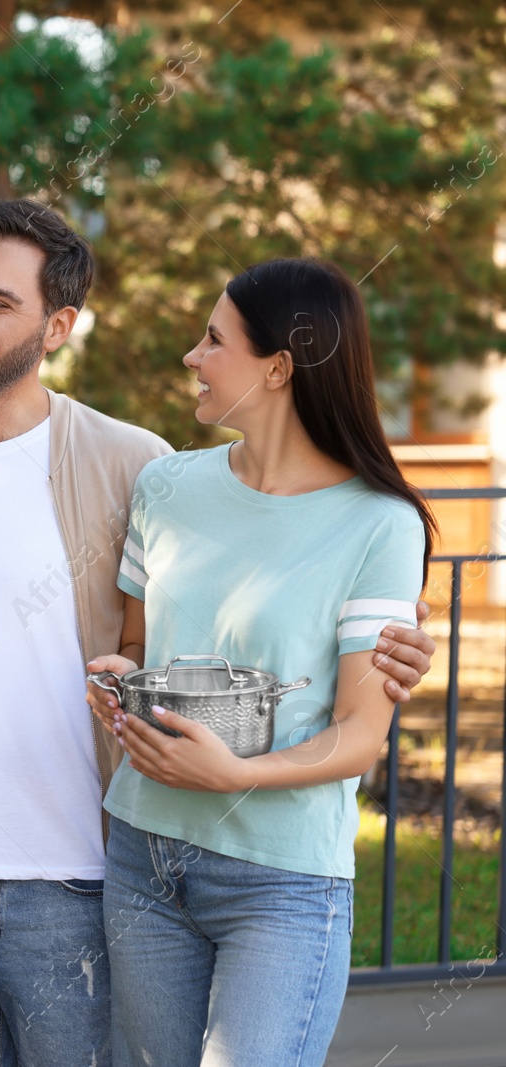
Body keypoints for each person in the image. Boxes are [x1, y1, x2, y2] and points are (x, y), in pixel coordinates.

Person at [0, 201, 436, 1067]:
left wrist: (396, 632)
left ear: (57, 325)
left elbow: (281, 561)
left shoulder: (134, 464)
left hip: (86, 880)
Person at [83, 258, 433, 1066]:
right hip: (144, 853)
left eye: (212, 339)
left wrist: (235, 774)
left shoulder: (381, 524)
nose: (191, 357)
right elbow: (140, 650)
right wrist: (118, 682)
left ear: (279, 367)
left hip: (281, 881)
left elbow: (358, 735)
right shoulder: (165, 485)